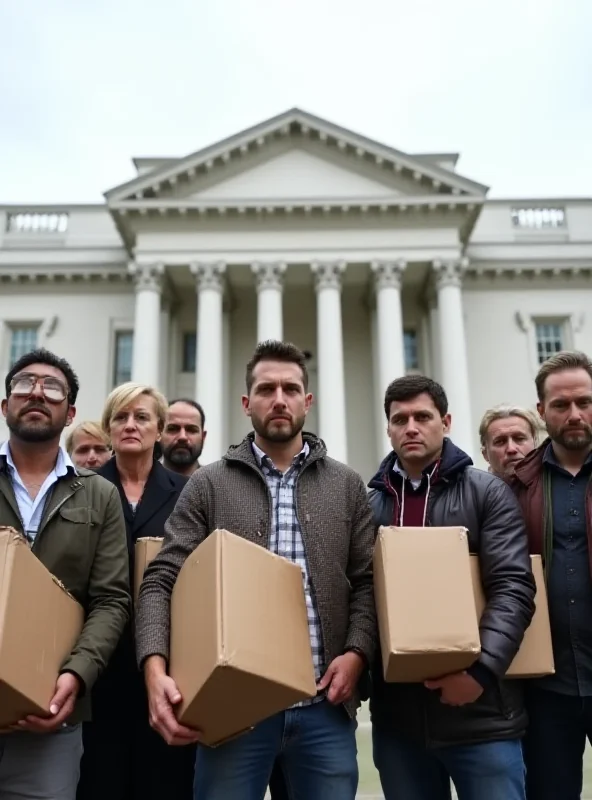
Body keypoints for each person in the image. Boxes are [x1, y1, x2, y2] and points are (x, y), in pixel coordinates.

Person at [136, 339, 376, 800]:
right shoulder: (210, 483)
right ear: (247, 403)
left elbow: (365, 582)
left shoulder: (346, 485)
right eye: (267, 389)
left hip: (324, 706)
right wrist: (154, 666)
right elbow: (161, 579)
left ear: (308, 400)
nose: (279, 399)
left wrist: (358, 651)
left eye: (291, 388)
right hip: (233, 705)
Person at [368, 374, 536, 800]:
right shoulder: (369, 505)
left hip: (482, 716)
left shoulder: (487, 493)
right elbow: (361, 597)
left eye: (422, 416)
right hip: (399, 723)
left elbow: (513, 588)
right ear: (387, 427)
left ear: (445, 421)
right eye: (399, 418)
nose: (411, 427)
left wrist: (479, 673)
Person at [0, 348, 130, 800]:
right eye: (23, 383)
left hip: (52, 716)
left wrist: (74, 677)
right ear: (5, 405)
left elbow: (112, 599)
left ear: (70, 411)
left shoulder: (100, 496)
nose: (37, 392)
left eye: (52, 387)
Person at [77, 383, 195, 800]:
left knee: (164, 785)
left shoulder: (187, 494)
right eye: (120, 417)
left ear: (160, 429)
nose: (131, 425)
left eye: (142, 417)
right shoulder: (80, 490)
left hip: (168, 671)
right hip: (96, 674)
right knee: (98, 783)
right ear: (108, 429)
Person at [508, 351, 592, 800]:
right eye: (561, 405)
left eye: (584, 401)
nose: (574, 413)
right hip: (546, 685)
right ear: (542, 412)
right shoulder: (516, 486)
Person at [479, 404, 541, 478]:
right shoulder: (474, 489)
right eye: (500, 441)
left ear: (535, 444)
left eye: (519, 438)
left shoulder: (553, 485)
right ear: (485, 454)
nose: (511, 449)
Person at [160, 398, 206, 476]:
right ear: (159, 434)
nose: (182, 437)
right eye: (173, 429)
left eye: (191, 430)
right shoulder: (142, 484)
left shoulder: (218, 485)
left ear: (203, 437)